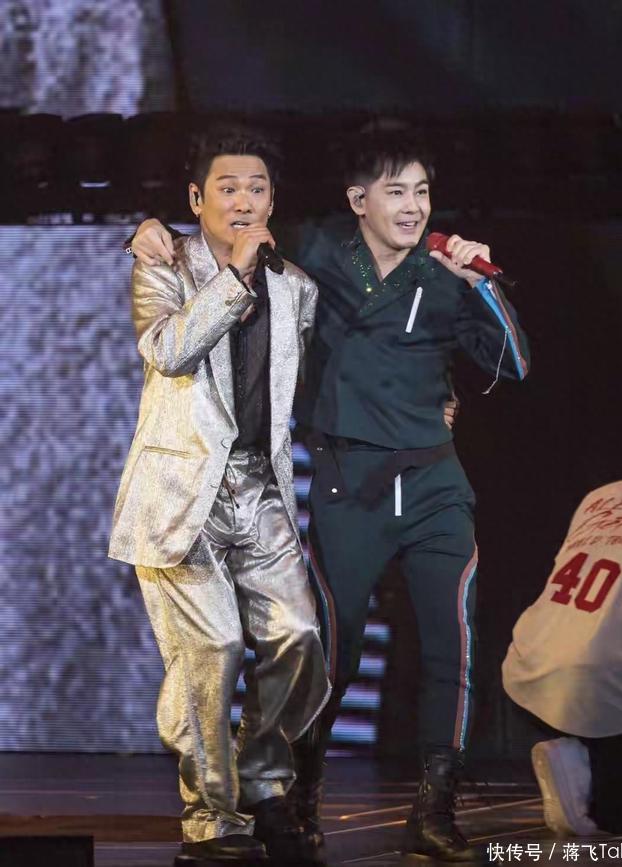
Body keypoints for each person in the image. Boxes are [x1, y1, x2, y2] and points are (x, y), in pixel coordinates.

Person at [130, 125, 530, 864]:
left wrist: (481, 286)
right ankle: (255, 801)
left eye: (422, 192)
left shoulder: (396, 273)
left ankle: (405, 804)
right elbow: (185, 316)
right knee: (271, 649)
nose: (412, 206)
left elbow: (507, 360)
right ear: (357, 200)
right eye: (395, 191)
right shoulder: (280, 260)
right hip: (271, 488)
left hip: (372, 485)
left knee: (379, 643)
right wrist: (148, 229)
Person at [109, 124, 330, 865]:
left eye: (256, 188)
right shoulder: (162, 264)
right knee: (214, 647)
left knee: (299, 636)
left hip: (259, 489)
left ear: (272, 200)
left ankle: (261, 779)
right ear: (196, 199)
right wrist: (231, 276)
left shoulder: (296, 286)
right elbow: (169, 350)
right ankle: (210, 814)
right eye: (228, 188)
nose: (243, 201)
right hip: (182, 494)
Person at [503, 463, 622, 837]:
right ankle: (592, 777)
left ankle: (582, 760)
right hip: (606, 694)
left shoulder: (602, 496)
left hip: (528, 671)